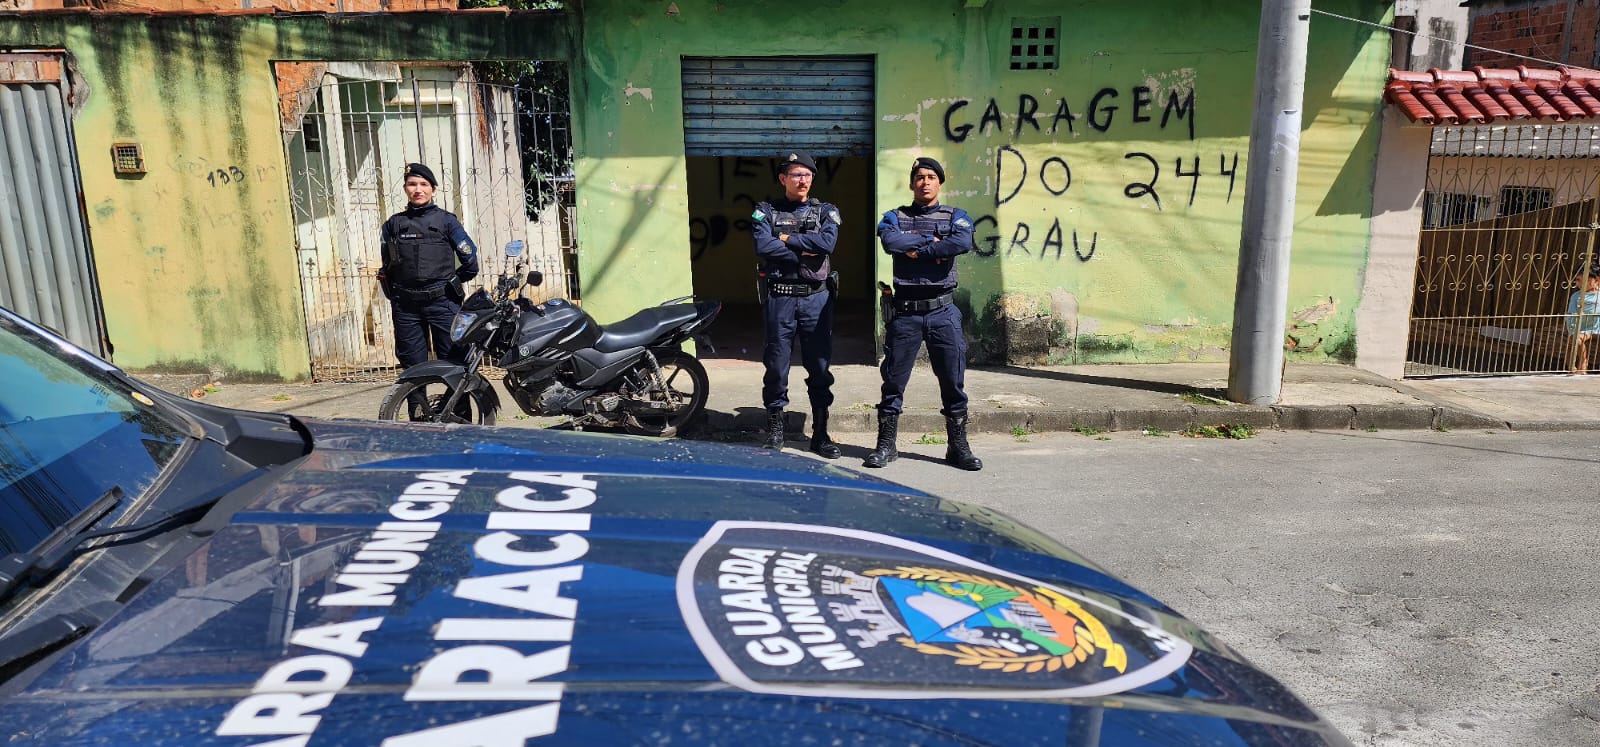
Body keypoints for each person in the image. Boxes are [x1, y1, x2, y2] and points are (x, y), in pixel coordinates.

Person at [864, 157, 981, 471]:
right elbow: (891, 241)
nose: (925, 182)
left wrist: (918, 250)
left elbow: (962, 241)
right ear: (911, 183)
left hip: (943, 311)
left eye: (931, 177)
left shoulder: (956, 216)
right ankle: (886, 446)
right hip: (905, 313)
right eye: (919, 177)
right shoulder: (895, 217)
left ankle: (958, 447)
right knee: (893, 382)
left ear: (939, 182)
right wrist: (934, 243)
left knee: (953, 381)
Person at [751, 151, 841, 457]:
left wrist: (787, 240)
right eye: (796, 174)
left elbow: (827, 244)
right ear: (783, 179)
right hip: (780, 298)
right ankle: (775, 431)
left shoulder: (826, 211)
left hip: (816, 298)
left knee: (819, 367)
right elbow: (763, 245)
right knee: (776, 366)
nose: (802, 180)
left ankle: (820, 433)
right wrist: (805, 249)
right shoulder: (765, 211)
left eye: (807, 175)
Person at [378, 163, 479, 382]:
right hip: (406, 308)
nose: (418, 190)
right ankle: (417, 405)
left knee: (454, 365)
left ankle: (457, 407)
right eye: (412, 184)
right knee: (412, 369)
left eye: (424, 184)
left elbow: (471, 262)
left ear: (433, 189)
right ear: (405, 188)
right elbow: (387, 266)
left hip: (443, 303)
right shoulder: (393, 224)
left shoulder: (447, 221)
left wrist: (452, 282)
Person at [1568, 263, 1600, 374]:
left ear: (1596, 280)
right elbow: (1571, 313)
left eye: (1584, 280)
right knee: (1573, 342)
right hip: (1581, 327)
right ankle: (1575, 366)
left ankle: (1583, 364)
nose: (1580, 283)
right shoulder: (1576, 296)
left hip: (1596, 326)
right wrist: (1572, 329)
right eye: (1577, 280)